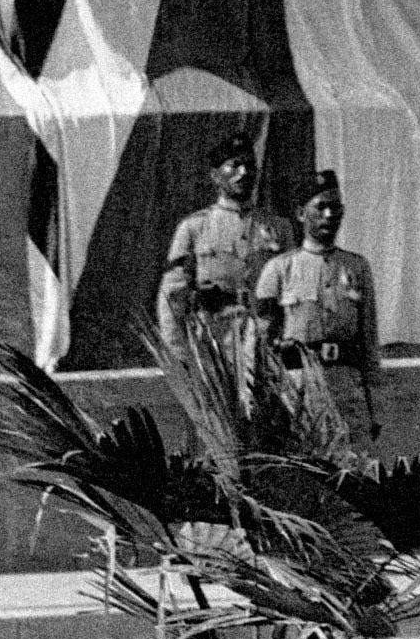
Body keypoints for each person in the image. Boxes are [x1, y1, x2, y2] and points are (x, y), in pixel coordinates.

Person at [254, 176, 382, 447]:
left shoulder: (356, 267)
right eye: (320, 207)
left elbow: (369, 340)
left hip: (346, 389)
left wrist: (375, 407)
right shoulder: (279, 270)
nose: (328, 215)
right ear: (301, 214)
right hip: (298, 389)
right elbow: (259, 342)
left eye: (335, 208)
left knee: (355, 472)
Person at [159, 144, 283, 366]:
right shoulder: (195, 228)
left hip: (264, 344)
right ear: (215, 176)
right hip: (215, 341)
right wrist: (180, 356)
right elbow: (173, 298)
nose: (244, 173)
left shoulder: (278, 228)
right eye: (235, 165)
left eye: (249, 165)